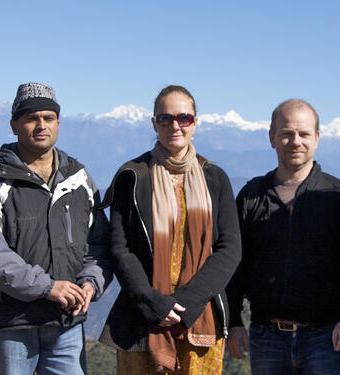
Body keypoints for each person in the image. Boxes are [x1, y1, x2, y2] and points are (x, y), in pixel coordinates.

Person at [0, 82, 111, 375]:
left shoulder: (78, 179)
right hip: (12, 321)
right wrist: (46, 287)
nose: (40, 125)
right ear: (15, 125)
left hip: (67, 321)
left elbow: (98, 244)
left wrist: (90, 283)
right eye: (31, 118)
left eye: (48, 117)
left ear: (58, 123)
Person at [98, 85, 241, 374]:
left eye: (183, 118)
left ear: (195, 122)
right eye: (165, 119)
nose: (175, 125)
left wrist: (187, 302)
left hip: (201, 316)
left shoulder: (214, 178)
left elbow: (230, 249)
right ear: (154, 123)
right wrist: (153, 302)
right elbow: (119, 247)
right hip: (142, 314)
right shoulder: (133, 176)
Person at [226, 99, 340, 374]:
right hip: (265, 336)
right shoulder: (252, 196)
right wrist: (233, 321)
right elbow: (235, 264)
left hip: (325, 336)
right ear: (272, 138)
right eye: (286, 133)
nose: (295, 141)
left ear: (317, 139)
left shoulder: (336, 196)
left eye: (304, 134)